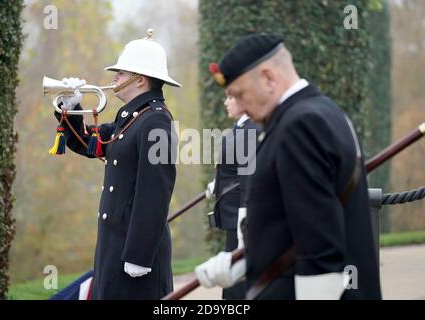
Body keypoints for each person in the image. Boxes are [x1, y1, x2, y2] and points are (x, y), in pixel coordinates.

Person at [195, 33, 381, 299]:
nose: (243, 109)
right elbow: (294, 228)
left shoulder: (300, 126)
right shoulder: (318, 111)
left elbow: (319, 250)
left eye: (241, 95)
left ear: (269, 78)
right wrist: (245, 261)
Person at [54, 30, 180, 299]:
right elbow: (89, 143)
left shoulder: (155, 120)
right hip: (114, 245)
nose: (115, 78)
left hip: (134, 253)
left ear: (140, 80)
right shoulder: (131, 119)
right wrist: (71, 107)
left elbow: (155, 194)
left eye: (121, 73)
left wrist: (140, 255)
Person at [205, 95, 261, 299]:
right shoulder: (241, 127)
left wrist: (241, 230)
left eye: (231, 97)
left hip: (240, 217)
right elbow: (233, 168)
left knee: (237, 286)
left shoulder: (251, 130)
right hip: (232, 216)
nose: (225, 102)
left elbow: (248, 181)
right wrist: (217, 184)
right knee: (232, 284)